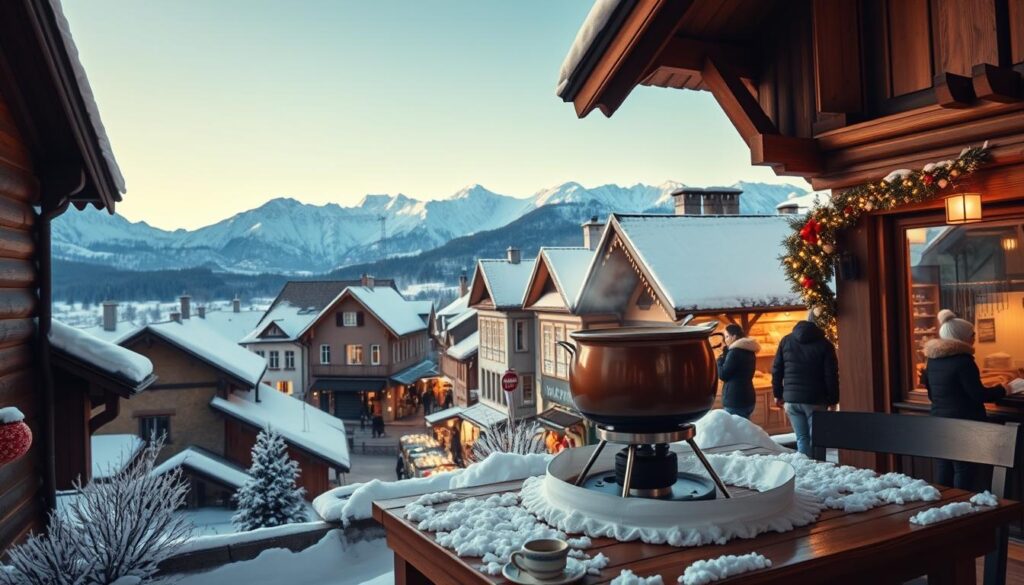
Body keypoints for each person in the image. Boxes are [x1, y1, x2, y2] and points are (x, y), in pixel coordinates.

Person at [921, 309, 1009, 490]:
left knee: (944, 466)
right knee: (964, 469)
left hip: (938, 421)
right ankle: (961, 506)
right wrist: (1004, 389)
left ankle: (941, 507)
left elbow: (931, 395)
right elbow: (978, 395)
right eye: (972, 334)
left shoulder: (933, 360)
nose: (974, 337)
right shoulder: (963, 361)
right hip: (964, 424)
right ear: (962, 337)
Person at [772, 309, 839, 456]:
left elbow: (777, 369)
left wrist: (778, 394)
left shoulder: (786, 341)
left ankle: (806, 467)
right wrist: (833, 399)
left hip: (792, 400)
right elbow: (831, 375)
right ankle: (819, 470)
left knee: (802, 438)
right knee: (818, 440)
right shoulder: (825, 344)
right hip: (816, 400)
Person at [717, 324, 760, 420]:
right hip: (748, 397)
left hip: (735, 399)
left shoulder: (735, 352)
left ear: (734, 337)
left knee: (736, 432)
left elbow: (723, 374)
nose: (725, 340)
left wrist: (719, 361)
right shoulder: (749, 350)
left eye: (727, 336)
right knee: (744, 429)